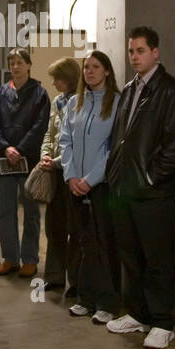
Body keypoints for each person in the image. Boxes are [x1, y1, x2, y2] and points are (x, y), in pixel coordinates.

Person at [106, 26, 175, 349]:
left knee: (157, 258)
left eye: (140, 51)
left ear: (155, 52)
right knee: (131, 256)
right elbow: (121, 137)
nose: (134, 57)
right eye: (131, 51)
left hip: (154, 192)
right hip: (124, 189)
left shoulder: (171, 92)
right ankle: (138, 314)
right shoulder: (130, 89)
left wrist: (150, 178)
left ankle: (162, 321)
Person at [60, 51, 122, 324]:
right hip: (75, 185)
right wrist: (72, 176)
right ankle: (85, 298)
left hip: (101, 186)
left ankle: (107, 302)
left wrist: (91, 179)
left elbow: (114, 149)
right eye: (86, 67)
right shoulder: (75, 102)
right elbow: (65, 141)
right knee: (83, 242)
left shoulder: (117, 103)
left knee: (103, 244)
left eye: (96, 67)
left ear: (107, 71)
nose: (90, 72)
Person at [0, 48, 51, 278]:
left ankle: (30, 259)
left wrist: (21, 149)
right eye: (12, 62)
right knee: (5, 212)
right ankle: (10, 258)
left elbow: (40, 126)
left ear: (29, 65)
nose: (16, 66)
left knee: (31, 212)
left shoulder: (39, 93)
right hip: (4, 160)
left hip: (29, 160)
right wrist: (6, 148)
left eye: (20, 62)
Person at [40, 58, 82, 296]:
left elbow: (78, 141)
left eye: (58, 78)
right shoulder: (57, 101)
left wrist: (58, 161)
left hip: (73, 173)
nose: (54, 82)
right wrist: (45, 154)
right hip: (55, 171)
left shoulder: (82, 102)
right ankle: (54, 276)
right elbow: (50, 132)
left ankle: (75, 280)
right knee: (54, 227)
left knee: (74, 230)